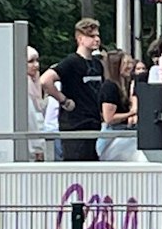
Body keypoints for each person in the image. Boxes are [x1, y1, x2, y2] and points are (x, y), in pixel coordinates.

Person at [41, 18, 106, 162]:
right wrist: (63, 100)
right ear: (80, 39)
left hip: (93, 123)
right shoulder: (71, 62)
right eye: (92, 36)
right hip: (75, 124)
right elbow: (46, 80)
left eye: (97, 35)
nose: (96, 39)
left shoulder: (98, 64)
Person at [24, 46, 47, 161]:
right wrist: (38, 147)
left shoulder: (35, 83)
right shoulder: (24, 86)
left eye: (37, 61)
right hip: (30, 146)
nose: (36, 65)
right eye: (31, 61)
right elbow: (31, 118)